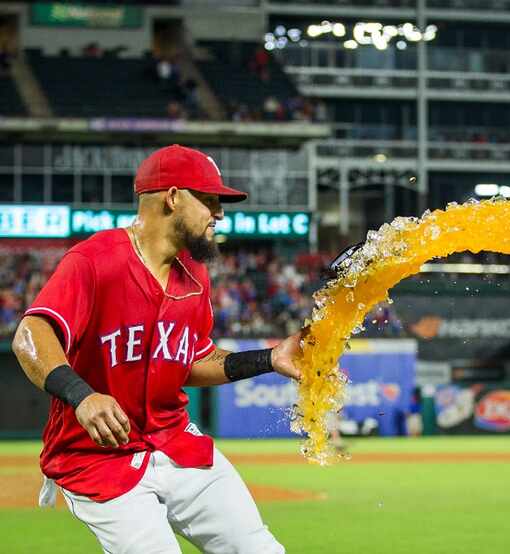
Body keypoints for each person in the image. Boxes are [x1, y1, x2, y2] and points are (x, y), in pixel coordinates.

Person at [12, 145, 302, 553]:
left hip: (174, 442)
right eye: (209, 200)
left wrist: (269, 358)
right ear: (172, 197)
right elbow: (31, 334)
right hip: (97, 456)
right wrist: (82, 396)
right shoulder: (95, 261)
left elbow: (194, 359)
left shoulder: (196, 274)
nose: (218, 213)